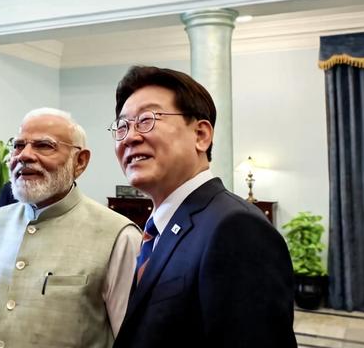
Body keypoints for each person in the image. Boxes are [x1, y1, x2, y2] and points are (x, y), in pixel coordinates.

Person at [111, 66, 296, 347]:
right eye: (122, 127)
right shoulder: (160, 228)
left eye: (147, 120)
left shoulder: (235, 227)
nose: (130, 137)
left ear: (201, 135)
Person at [0, 108, 140, 348]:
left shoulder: (118, 236)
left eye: (44, 146)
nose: (24, 155)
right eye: (18, 145)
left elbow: (131, 338)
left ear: (80, 161)